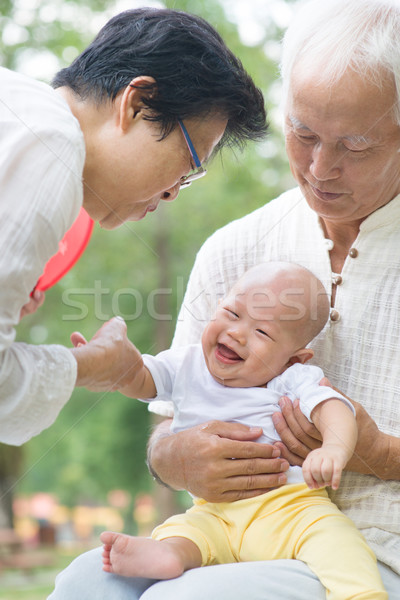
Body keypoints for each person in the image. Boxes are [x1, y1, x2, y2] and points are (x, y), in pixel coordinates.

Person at [48, 0, 400, 598]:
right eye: (303, 132)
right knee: (88, 582)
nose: (319, 168)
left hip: (377, 555)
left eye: (356, 146)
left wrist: (372, 451)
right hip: (231, 537)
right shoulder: (236, 249)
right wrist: (176, 457)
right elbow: (165, 417)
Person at [0, 8, 266, 446]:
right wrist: (91, 367)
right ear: (137, 103)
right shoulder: (52, 147)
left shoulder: (21, 111)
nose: (173, 194)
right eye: (189, 163)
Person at [99, 262, 386, 600]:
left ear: (293, 359)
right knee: (185, 530)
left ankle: (361, 594)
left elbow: (334, 408)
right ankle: (170, 554)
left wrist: (333, 449)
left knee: (339, 544)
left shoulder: (289, 379)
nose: (236, 333)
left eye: (262, 333)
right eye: (232, 313)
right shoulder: (187, 364)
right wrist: (118, 366)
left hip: (290, 511)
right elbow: (143, 380)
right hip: (215, 511)